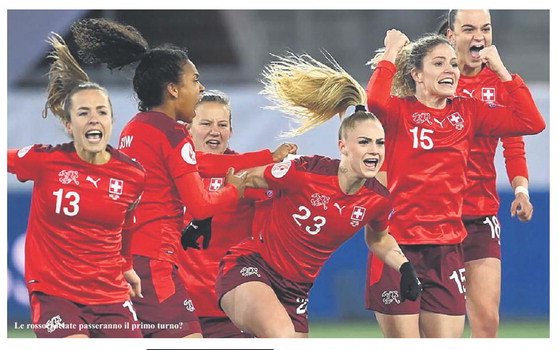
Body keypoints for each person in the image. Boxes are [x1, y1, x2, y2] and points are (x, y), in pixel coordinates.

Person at [215, 53, 422, 338]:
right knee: (282, 336)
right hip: (252, 268)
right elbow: (245, 177)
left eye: (379, 143)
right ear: (343, 147)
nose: (374, 150)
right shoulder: (306, 172)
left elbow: (379, 238)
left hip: (297, 291)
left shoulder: (378, 200)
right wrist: (202, 211)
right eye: (364, 142)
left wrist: (405, 267)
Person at [71, 18, 247, 338]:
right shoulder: (173, 136)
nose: (201, 88)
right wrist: (234, 191)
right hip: (153, 262)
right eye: (195, 80)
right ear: (173, 89)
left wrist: (265, 158)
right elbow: (201, 205)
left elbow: (202, 164)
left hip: (124, 256)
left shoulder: (135, 128)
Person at [364, 29, 545, 337]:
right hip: (396, 247)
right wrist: (391, 50)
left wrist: (502, 71)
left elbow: (532, 122)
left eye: (453, 64)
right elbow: (375, 101)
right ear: (417, 74)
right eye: (438, 64)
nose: (450, 69)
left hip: (446, 250)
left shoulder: (468, 111)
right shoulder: (398, 111)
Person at [7, 33, 146, 338]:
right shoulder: (45, 161)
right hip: (55, 294)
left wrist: (127, 265)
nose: (94, 119)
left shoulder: (133, 174)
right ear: (69, 125)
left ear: (111, 121)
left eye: (102, 112)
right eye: (84, 113)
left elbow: (127, 224)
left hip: (110, 296)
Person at [437, 10, 538, 338]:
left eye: (485, 29)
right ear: (452, 37)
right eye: (469, 29)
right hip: (434, 218)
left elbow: (516, 144)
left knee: (486, 321)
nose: (479, 37)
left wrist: (520, 190)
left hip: (480, 215)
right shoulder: (433, 79)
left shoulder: (500, 82)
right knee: (440, 327)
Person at [177, 89, 297, 338]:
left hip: (229, 308)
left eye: (222, 124)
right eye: (206, 123)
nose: (215, 130)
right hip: (178, 306)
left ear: (230, 131)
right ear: (188, 128)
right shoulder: (173, 171)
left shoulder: (251, 175)